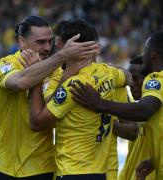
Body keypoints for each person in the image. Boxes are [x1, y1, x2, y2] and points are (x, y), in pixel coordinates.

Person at [0, 15, 97, 180]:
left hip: (42, 168)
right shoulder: (7, 64)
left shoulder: (58, 71)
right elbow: (19, 82)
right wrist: (60, 57)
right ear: (22, 42)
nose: (47, 47)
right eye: (40, 42)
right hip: (4, 166)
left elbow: (53, 108)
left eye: (49, 41)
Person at [28, 19, 130, 180]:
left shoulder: (74, 85)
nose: (57, 53)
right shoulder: (107, 72)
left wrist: (34, 80)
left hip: (74, 170)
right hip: (99, 171)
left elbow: (38, 122)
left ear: (75, 48)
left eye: (61, 48)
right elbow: (127, 76)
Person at [70, 31, 163, 179]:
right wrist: (155, 161)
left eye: (144, 50)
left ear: (152, 53)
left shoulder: (156, 79)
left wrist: (99, 103)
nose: (142, 55)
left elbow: (144, 110)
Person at [117, 55, 155, 180]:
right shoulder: (137, 108)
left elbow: (132, 130)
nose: (131, 84)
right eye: (130, 78)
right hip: (130, 174)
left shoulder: (151, 110)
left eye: (136, 78)